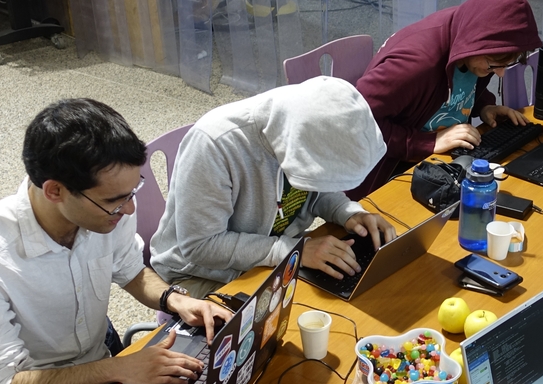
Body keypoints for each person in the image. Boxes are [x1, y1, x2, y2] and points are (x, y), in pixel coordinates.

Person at [0, 98, 233, 384]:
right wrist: (118, 369)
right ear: (55, 191)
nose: (129, 209)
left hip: (96, 370)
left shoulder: (106, 208)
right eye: (115, 200)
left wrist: (174, 299)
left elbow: (130, 270)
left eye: (133, 192)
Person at [149, 76, 398, 299]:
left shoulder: (307, 125)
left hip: (272, 252)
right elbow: (201, 246)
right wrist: (292, 251)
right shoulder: (214, 144)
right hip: (197, 273)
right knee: (301, 317)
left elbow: (318, 184)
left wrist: (348, 212)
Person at [350, 0, 543, 197]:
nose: (500, 74)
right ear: (475, 43)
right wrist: (429, 143)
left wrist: (484, 106)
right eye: (493, 65)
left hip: (438, 162)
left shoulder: (471, 33)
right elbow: (357, 122)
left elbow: (459, 83)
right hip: (385, 178)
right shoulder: (415, 64)